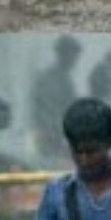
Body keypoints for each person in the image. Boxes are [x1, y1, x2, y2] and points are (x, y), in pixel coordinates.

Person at [31, 35, 83, 167]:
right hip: (51, 139)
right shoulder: (48, 80)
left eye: (76, 56)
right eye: (72, 54)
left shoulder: (66, 80)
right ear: (62, 54)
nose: (74, 60)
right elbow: (45, 111)